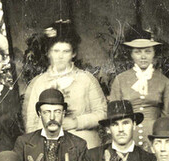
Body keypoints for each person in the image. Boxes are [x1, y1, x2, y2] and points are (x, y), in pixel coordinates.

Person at [22, 20, 108, 149]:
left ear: (73, 54)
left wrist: (76, 122)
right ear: (48, 53)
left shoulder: (86, 79)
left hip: (84, 143)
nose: (60, 56)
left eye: (66, 51)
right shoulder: (38, 83)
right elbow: (31, 123)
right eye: (56, 51)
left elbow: (102, 113)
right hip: (50, 146)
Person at [108, 26, 169, 151]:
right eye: (138, 52)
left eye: (148, 51)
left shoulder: (164, 81)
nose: (143, 56)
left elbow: (166, 117)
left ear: (154, 53)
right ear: (131, 54)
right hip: (127, 138)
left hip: (154, 139)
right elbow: (114, 117)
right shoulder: (120, 80)